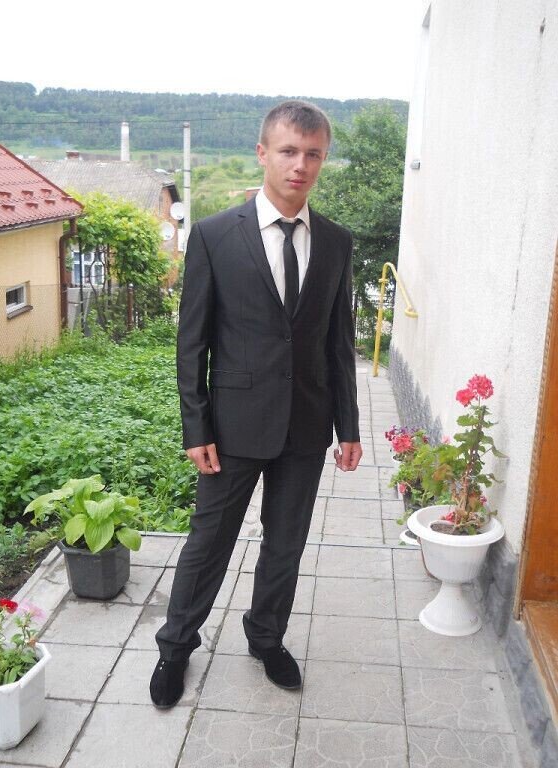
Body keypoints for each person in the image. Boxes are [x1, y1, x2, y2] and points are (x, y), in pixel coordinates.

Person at [150, 100, 362, 708]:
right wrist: (196, 426)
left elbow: (339, 342)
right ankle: (176, 646)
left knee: (285, 544)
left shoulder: (336, 242)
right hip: (232, 426)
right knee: (208, 543)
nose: (301, 165)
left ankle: (266, 638)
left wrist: (348, 425)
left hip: (306, 426)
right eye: (289, 151)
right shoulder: (216, 235)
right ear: (263, 153)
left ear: (323, 159)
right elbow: (192, 342)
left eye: (313, 154)